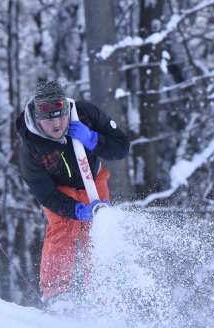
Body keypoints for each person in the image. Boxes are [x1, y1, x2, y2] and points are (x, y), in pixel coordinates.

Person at [17, 80, 130, 301]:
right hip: (60, 191)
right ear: (38, 119)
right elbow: (45, 194)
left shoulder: (85, 114)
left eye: (61, 115)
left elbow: (122, 147)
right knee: (63, 229)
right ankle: (56, 295)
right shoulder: (30, 146)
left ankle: (103, 293)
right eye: (49, 120)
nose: (57, 124)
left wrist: (93, 139)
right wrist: (76, 210)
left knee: (99, 230)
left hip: (93, 179)